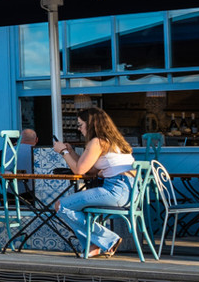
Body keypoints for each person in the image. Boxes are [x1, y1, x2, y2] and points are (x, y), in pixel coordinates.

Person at [53, 107, 137, 258]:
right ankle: (93, 247)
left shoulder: (97, 142)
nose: (79, 129)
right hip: (130, 191)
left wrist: (63, 152)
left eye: (80, 125)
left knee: (61, 205)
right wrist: (71, 152)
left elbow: (79, 171)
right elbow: (89, 169)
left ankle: (109, 239)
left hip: (116, 189)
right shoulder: (114, 141)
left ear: (90, 124)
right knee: (74, 208)